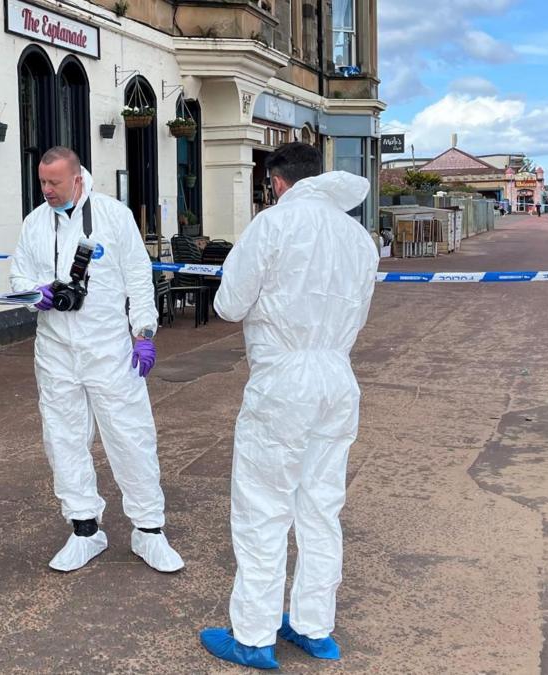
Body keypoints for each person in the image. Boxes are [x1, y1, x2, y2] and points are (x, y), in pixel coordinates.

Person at [199, 143, 379, 670]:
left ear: (277, 182)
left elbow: (229, 304)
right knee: (322, 507)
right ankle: (313, 626)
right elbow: (359, 313)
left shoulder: (273, 224)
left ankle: (253, 635)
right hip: (336, 375)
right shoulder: (357, 237)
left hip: (283, 377)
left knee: (262, 506)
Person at [9, 147, 183, 574]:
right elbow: (17, 276)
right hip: (55, 352)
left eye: (55, 183)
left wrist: (143, 332)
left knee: (130, 436)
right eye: (43, 182)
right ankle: (85, 528)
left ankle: (149, 530)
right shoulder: (35, 223)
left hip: (110, 349)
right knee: (63, 439)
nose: (47, 190)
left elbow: (139, 277)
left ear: (78, 178)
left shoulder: (112, 216)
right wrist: (37, 293)